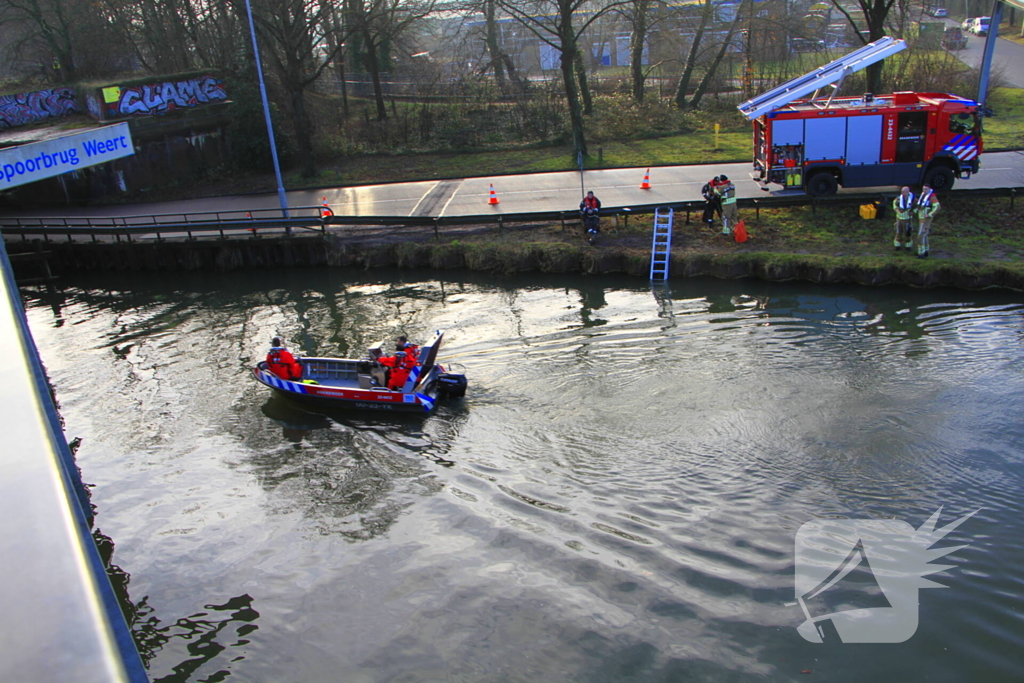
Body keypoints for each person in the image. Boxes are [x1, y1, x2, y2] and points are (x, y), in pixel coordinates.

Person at [915, 184, 940, 259]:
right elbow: (919, 207)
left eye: (926, 189)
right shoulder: (922, 196)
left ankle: (921, 253)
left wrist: (929, 215)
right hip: (921, 218)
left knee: (921, 235)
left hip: (926, 219)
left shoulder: (932, 197)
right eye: (923, 189)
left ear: (929, 189)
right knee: (924, 235)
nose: (924, 191)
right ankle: (926, 250)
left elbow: (937, 207)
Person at [892, 186, 916, 251]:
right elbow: (894, 204)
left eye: (904, 191)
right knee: (898, 231)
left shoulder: (913, 198)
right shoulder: (898, 198)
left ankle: (908, 245)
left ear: (908, 192)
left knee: (908, 232)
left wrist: (913, 212)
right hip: (899, 217)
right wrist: (897, 210)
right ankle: (897, 245)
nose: (902, 193)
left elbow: (918, 206)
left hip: (908, 218)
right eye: (902, 191)